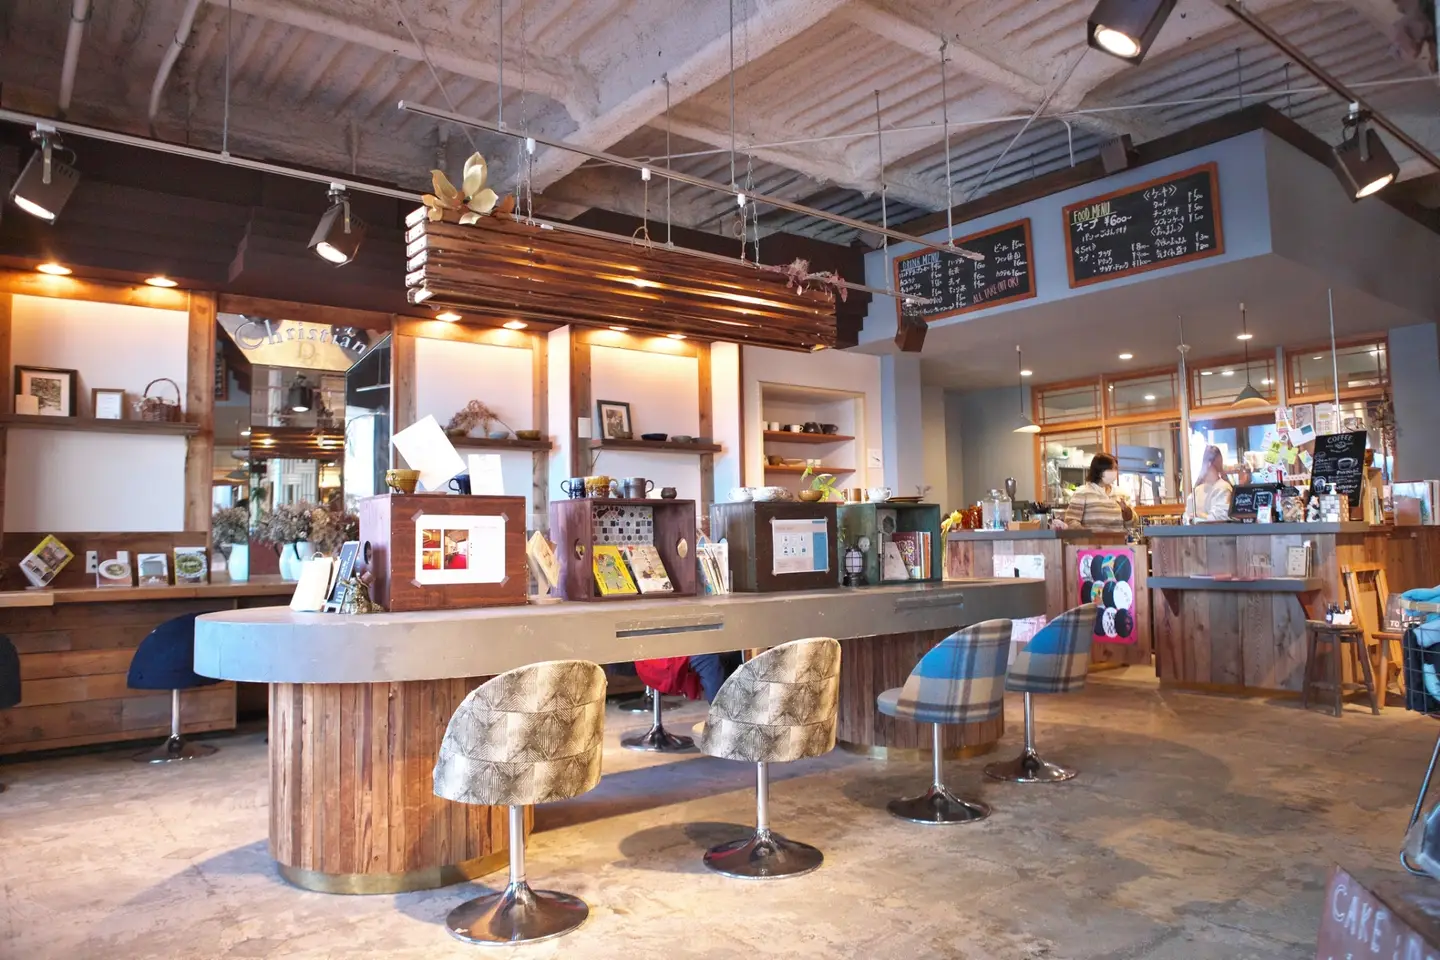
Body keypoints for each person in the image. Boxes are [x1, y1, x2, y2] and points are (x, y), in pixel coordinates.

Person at [1057, 452, 1134, 531]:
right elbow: (1071, 522)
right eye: (1111, 468)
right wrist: (1089, 536)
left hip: (1119, 539)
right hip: (1090, 539)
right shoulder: (1082, 493)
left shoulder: (1121, 493)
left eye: (1116, 468)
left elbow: (1131, 525)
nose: (1114, 471)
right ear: (1099, 470)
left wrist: (1127, 512)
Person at [1184, 444, 1234, 523]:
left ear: (1208, 464)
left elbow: (1219, 519)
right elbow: (1186, 517)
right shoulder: (1197, 490)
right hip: (1197, 531)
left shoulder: (1223, 488)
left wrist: (1198, 515)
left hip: (1216, 531)